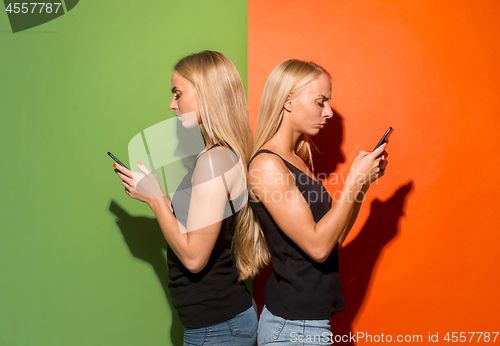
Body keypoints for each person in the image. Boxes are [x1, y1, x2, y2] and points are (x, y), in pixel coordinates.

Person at [236, 59, 389, 345]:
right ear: (288, 101)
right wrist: (353, 180)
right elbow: (318, 248)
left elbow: (334, 238)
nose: (328, 111)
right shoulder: (267, 165)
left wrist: (362, 185)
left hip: (310, 322)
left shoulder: (297, 160)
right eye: (321, 102)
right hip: (294, 325)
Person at [113, 51, 257, 346]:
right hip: (217, 324)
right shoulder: (216, 155)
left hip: (216, 328)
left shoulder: (214, 161)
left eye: (178, 94)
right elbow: (197, 223)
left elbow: (194, 258)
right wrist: (159, 197)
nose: (171, 104)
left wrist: (155, 201)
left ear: (207, 93)